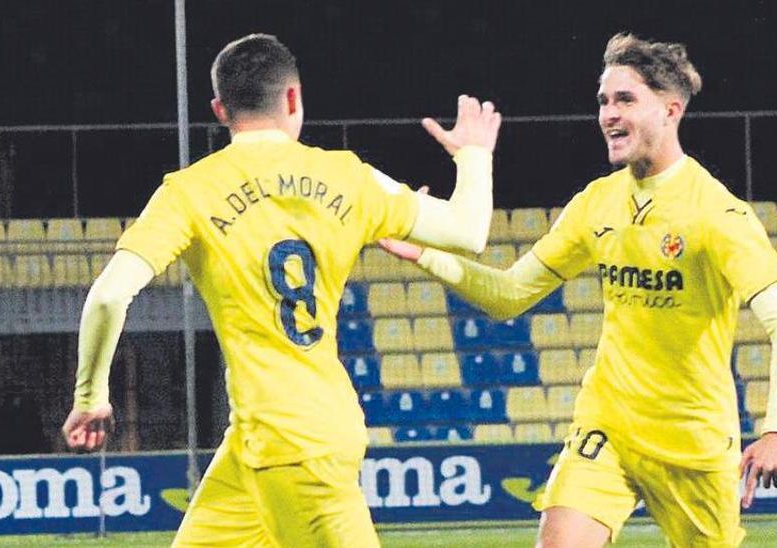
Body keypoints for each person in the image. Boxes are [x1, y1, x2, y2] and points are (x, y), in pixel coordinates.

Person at [59, 33, 501, 547]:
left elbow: (110, 296)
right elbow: (470, 230)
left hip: (294, 447)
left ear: (220, 109)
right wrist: (473, 156)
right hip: (263, 440)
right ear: (293, 98)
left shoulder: (188, 191)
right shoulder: (348, 176)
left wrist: (91, 397)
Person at [378, 33, 777, 547]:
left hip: (692, 439)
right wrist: (428, 255)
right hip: (607, 424)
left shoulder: (718, 214)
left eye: (625, 99)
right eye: (603, 100)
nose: (608, 113)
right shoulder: (596, 203)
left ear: (671, 110)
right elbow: (511, 294)